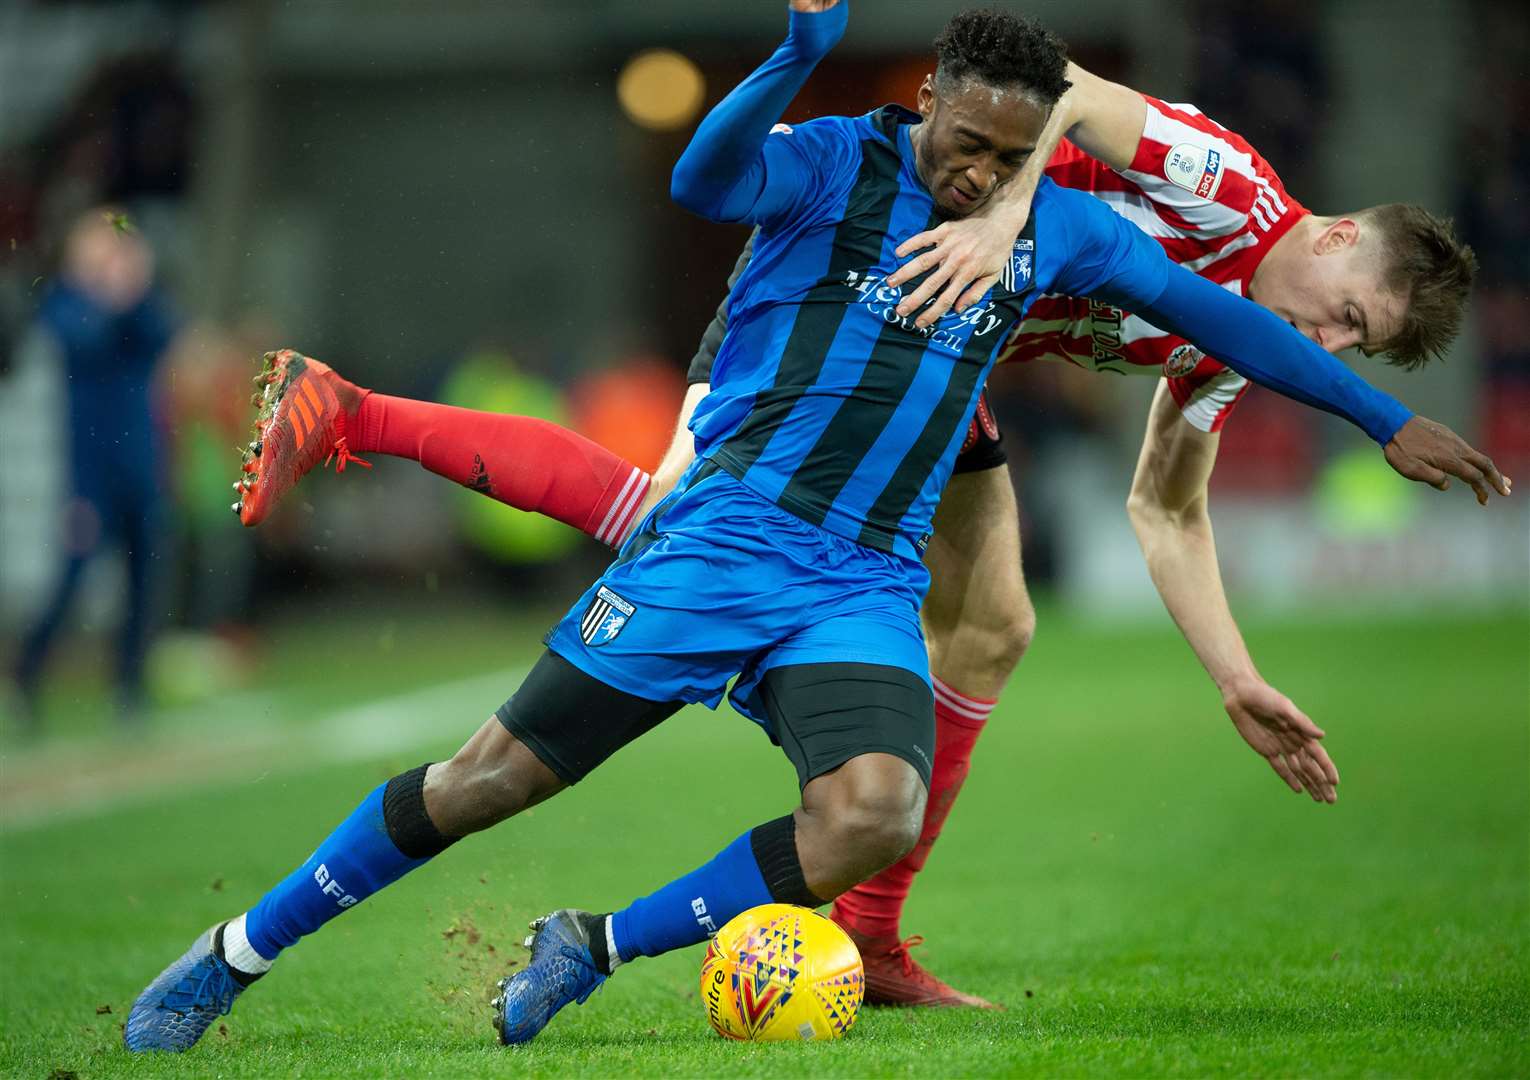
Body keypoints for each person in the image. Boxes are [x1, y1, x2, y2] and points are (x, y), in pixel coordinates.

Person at [127, 2, 1503, 1054]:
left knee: (871, 808)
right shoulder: (832, 163)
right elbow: (703, 184)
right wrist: (789, 58)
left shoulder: (1063, 236)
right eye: (963, 147)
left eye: (1007, 163)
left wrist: (1379, 420)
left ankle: (595, 945)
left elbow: (1233, 332)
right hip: (731, 533)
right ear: (925, 108)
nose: (976, 179)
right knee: (485, 780)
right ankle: (236, 951)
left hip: (855, 580)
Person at [12, 209, 177, 730]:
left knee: (145, 576)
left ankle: (129, 686)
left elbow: (163, 332)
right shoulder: (64, 302)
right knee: (73, 573)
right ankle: (26, 674)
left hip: (139, 465)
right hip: (89, 470)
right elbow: (85, 338)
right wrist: (110, 291)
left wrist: (136, 284)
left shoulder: (139, 306)